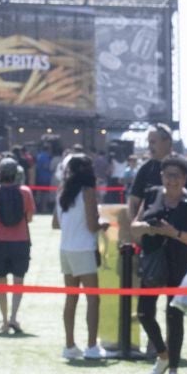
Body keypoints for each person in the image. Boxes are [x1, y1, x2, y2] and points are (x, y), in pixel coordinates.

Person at [127, 154, 187, 374]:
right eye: (167, 175)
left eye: (176, 176)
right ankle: (162, 354)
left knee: (175, 315)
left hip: (180, 262)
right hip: (153, 260)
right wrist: (148, 229)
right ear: (161, 176)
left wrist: (175, 233)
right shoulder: (152, 193)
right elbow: (134, 226)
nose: (171, 180)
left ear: (184, 179)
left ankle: (174, 369)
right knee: (144, 312)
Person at [53, 154, 106, 360]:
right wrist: (102, 225)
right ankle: (92, 346)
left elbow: (56, 224)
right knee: (93, 299)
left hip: (65, 249)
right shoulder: (88, 191)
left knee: (71, 298)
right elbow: (92, 226)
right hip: (83, 248)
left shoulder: (61, 191)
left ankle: (69, 345)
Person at [0, 159, 36, 336]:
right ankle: (13, 316)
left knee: (1, 282)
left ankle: (4, 320)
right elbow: (30, 218)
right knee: (18, 281)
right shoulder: (25, 192)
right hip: (21, 241)